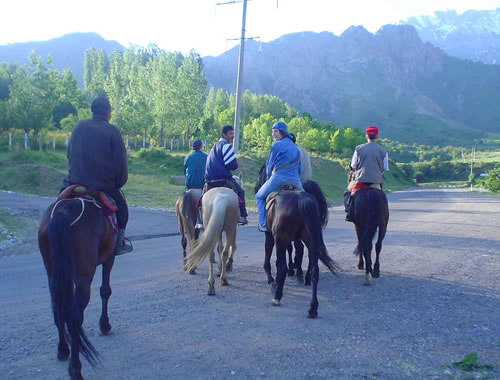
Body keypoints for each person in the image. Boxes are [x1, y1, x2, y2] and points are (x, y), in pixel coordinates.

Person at [63, 96, 132, 255]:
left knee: (59, 205)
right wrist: (117, 184)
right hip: (101, 187)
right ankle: (119, 242)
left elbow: (69, 154)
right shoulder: (112, 131)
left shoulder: (79, 126)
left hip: (74, 184)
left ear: (92, 111)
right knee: (122, 209)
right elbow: (121, 166)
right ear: (108, 114)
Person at [255, 121, 303, 232]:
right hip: (295, 181)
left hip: (278, 178)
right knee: (307, 199)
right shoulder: (296, 147)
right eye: (273, 132)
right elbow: (299, 168)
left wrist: (268, 178)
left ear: (282, 132)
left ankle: (262, 224)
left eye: (275, 131)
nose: (273, 134)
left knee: (259, 196)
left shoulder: (276, 145)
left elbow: (269, 165)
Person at [205, 125, 248, 225]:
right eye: (230, 134)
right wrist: (235, 165)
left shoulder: (214, 146)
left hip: (209, 179)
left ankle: (200, 220)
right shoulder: (226, 145)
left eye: (233, 133)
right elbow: (231, 164)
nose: (232, 136)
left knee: (203, 197)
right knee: (241, 192)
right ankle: (242, 215)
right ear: (224, 134)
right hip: (222, 178)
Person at [344, 125, 389, 222]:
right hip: (376, 182)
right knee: (382, 199)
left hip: (360, 180)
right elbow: (385, 168)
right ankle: (383, 217)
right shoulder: (383, 151)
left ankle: (349, 213)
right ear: (377, 137)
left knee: (347, 193)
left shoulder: (358, 149)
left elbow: (353, 165)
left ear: (366, 136)